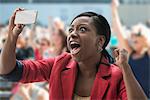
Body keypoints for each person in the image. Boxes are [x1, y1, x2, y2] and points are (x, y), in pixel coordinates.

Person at [0, 8, 147, 100]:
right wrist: (12, 36)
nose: (73, 34)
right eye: (71, 30)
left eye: (82, 29)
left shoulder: (116, 76)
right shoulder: (59, 64)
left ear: (100, 41)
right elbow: (9, 72)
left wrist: (126, 69)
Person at [112, 0, 150, 98]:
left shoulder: (148, 53)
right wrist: (114, 10)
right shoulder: (130, 53)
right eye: (132, 35)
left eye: (137, 35)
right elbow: (119, 32)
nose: (133, 38)